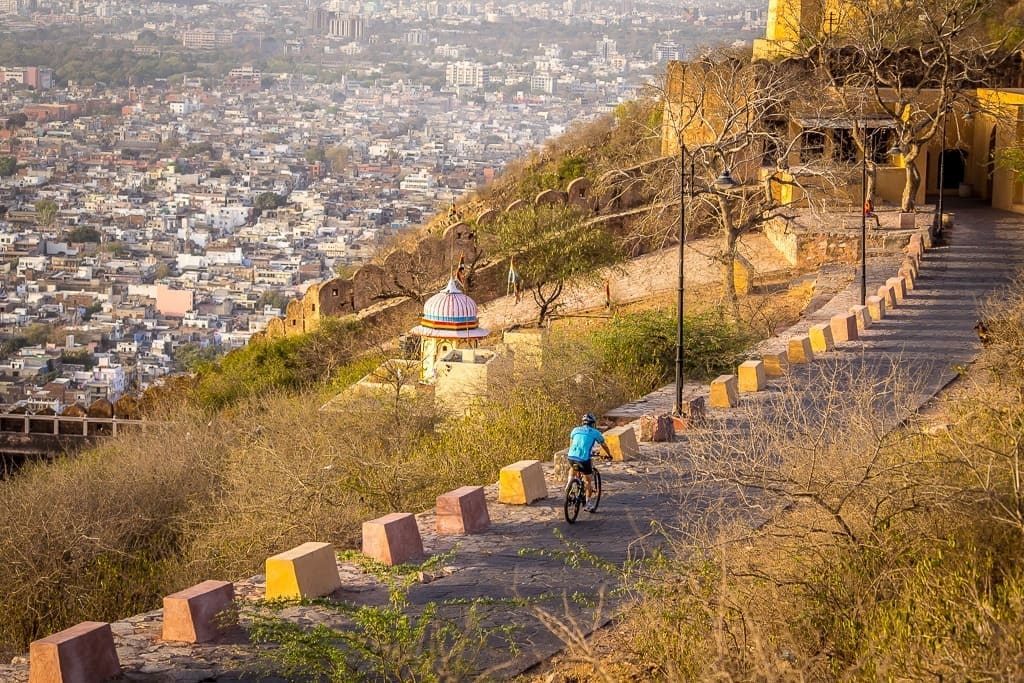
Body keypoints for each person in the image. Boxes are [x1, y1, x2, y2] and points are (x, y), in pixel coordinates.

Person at [566, 412, 612, 512]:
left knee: (573, 467)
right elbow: (603, 445)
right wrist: (609, 454)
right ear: (592, 423)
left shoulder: (575, 430)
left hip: (571, 456)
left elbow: (572, 443)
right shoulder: (595, 432)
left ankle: (569, 483)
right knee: (587, 481)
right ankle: (588, 503)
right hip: (584, 458)